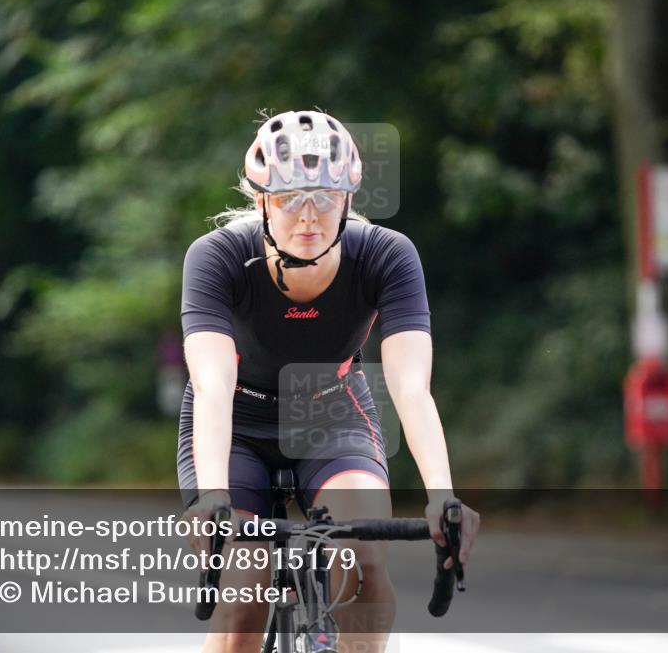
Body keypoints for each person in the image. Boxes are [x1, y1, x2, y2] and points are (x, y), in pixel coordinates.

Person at [178, 110, 479, 653]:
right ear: (261, 199)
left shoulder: (386, 255)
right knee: (246, 586)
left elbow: (411, 388)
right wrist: (213, 496)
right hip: (238, 422)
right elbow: (212, 386)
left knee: (362, 557)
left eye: (325, 196)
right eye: (290, 198)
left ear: (349, 197)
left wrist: (443, 497)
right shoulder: (217, 258)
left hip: (331, 414)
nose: (309, 215)